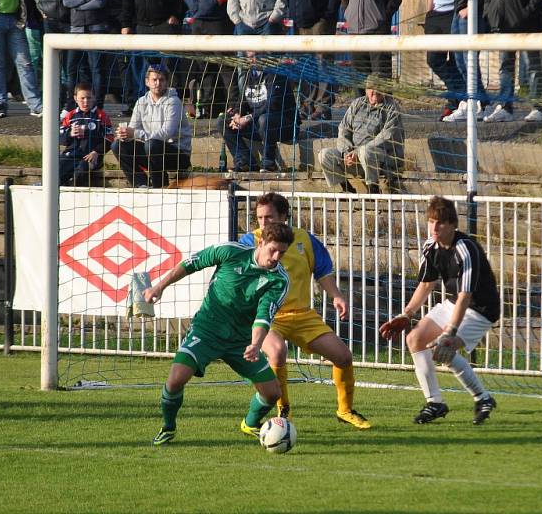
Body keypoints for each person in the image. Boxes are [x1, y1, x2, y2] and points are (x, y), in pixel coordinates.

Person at [145, 222, 294, 445]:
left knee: (272, 393)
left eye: (282, 252)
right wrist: (159, 286)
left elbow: (264, 316)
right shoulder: (231, 252)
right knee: (176, 379)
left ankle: (250, 423)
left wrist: (255, 344)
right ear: (260, 242)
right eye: (272, 249)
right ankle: (168, 427)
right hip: (207, 330)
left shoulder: (279, 280)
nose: (276, 256)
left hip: (241, 341)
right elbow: (191, 263)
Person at [239, 192, 371, 429]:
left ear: (284, 216)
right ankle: (283, 409)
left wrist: (337, 296)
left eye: (269, 217)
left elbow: (322, 271)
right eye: (259, 218)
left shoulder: (305, 240)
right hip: (267, 316)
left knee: (343, 356)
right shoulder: (251, 241)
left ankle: (345, 410)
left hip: (302, 315)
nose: (263, 223)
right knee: (277, 351)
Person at [380, 196, 500, 425]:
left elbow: (467, 295)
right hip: (455, 303)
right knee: (415, 338)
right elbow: (426, 284)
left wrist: (450, 331)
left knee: (442, 349)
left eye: (441, 223)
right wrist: (407, 314)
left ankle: (483, 398)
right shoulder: (430, 247)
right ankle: (435, 402)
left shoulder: (466, 249)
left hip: (481, 309)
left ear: (453, 225)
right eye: (431, 221)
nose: (435, 227)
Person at [288, 0, 345, 121]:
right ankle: (306, 104)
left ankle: (322, 106)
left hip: (320, 22)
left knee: (323, 64)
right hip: (301, 22)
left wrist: (328, 14)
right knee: (305, 64)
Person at [318, 74, 404, 194]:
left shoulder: (391, 108)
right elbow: (344, 128)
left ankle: (373, 190)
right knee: (325, 154)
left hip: (382, 159)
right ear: (366, 90)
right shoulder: (357, 104)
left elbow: (386, 136)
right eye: (371, 88)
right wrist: (346, 152)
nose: (375, 91)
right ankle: (347, 189)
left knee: (366, 151)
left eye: (378, 88)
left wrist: (357, 152)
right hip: (353, 157)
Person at [111, 64, 192, 188]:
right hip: (152, 151)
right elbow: (133, 129)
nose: (158, 83)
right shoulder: (141, 102)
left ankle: (159, 187)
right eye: (154, 79)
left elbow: (166, 134)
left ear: (166, 82)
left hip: (177, 155)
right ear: (147, 82)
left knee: (152, 144)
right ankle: (141, 184)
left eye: (161, 80)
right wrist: (125, 135)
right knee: (118, 145)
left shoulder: (174, 102)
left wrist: (135, 133)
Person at [222, 54, 298, 173]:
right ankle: (245, 162)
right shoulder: (249, 74)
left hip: (285, 126)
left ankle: (268, 164)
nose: (251, 59)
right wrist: (237, 113)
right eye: (249, 56)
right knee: (223, 121)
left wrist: (248, 118)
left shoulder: (275, 74)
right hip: (259, 125)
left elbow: (272, 105)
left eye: (255, 55)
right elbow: (245, 99)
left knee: (264, 120)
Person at [62, 0, 110, 110]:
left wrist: (78, 3)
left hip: (96, 28)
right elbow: (65, 0)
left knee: (97, 69)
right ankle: (70, 105)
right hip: (76, 29)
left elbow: (100, 2)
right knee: (71, 69)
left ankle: (98, 105)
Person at [58, 83, 114, 186]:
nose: (85, 101)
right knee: (57, 172)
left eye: (88, 98)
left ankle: (75, 193)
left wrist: (97, 151)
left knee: (80, 173)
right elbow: (60, 138)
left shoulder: (101, 116)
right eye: (82, 98)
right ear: (75, 98)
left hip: (91, 157)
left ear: (94, 98)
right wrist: (70, 134)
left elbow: (110, 138)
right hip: (71, 155)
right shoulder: (70, 115)